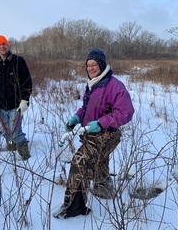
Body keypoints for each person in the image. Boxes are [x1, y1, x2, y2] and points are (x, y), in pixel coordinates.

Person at [53, 47, 134, 219]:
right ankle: (103, 189)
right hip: (92, 135)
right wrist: (76, 117)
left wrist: (101, 123)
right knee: (100, 162)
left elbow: (125, 112)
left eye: (94, 64)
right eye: (88, 65)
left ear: (101, 65)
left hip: (107, 135)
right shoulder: (93, 84)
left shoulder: (114, 85)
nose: (90, 68)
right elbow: (87, 108)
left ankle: (74, 207)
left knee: (79, 162)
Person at [0, 35, 32, 160]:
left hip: (16, 105)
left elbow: (27, 82)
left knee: (16, 131)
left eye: (4, 44)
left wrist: (25, 100)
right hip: (0, 105)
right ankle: (11, 147)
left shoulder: (18, 61)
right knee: (5, 131)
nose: (2, 46)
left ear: (8, 45)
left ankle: (25, 155)